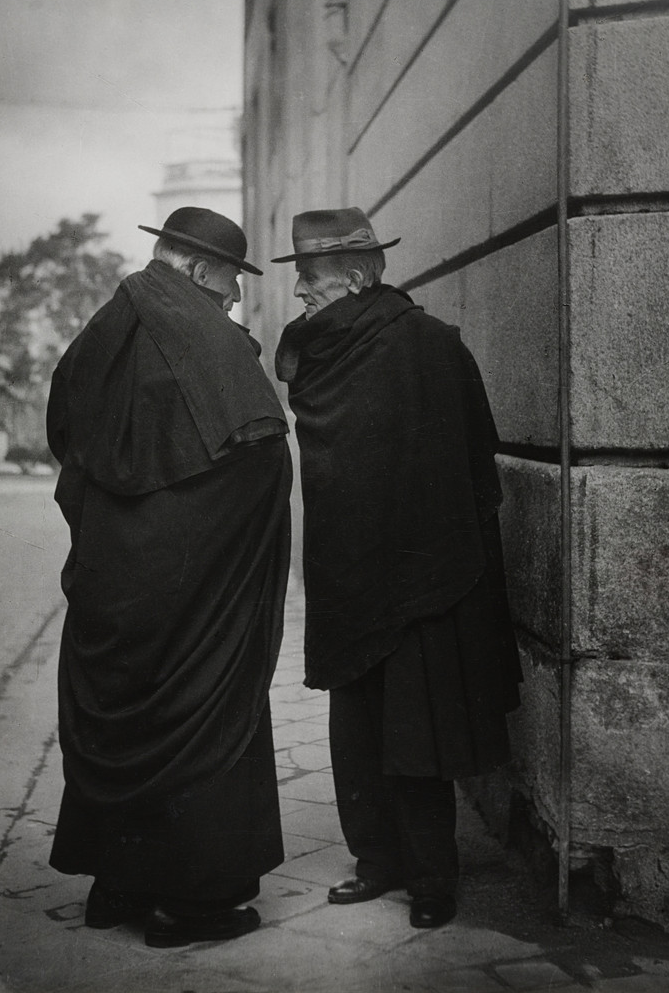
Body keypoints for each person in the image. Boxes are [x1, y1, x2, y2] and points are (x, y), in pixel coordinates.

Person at [47, 207, 292, 948]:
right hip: (196, 593)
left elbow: (70, 441)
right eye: (227, 282)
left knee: (120, 714)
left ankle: (116, 887)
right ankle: (195, 908)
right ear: (191, 269)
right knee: (202, 720)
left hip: (113, 581)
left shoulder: (105, 325)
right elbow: (253, 459)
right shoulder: (202, 335)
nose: (234, 301)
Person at [273, 207, 522, 930]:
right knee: (355, 730)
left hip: (418, 578)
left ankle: (431, 879)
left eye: (310, 278)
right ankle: (375, 863)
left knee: (416, 732)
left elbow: (475, 464)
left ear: (354, 276)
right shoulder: (320, 351)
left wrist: (435, 553)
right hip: (347, 571)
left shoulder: (428, 345)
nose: (300, 293)